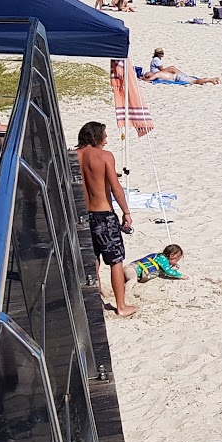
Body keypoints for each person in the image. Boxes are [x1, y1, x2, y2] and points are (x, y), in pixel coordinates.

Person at [76, 122, 137, 317]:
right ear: (95, 138)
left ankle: (96, 300)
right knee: (115, 260)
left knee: (93, 258)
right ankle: (121, 305)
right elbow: (116, 188)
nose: (107, 140)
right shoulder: (104, 156)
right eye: (104, 136)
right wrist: (126, 212)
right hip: (103, 215)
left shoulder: (72, 156)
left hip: (82, 214)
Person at [144, 48, 220, 84]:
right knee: (194, 80)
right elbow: (153, 76)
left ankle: (210, 80)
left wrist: (143, 78)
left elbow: (148, 79)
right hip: (177, 76)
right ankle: (210, 79)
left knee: (195, 81)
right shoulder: (157, 65)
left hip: (177, 77)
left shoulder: (157, 74)